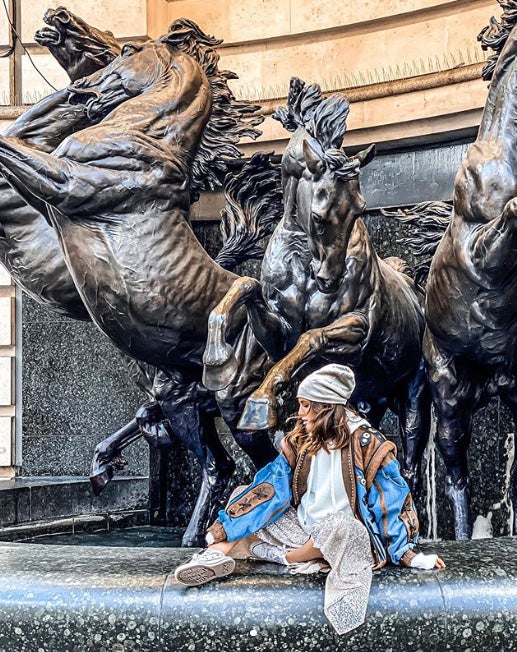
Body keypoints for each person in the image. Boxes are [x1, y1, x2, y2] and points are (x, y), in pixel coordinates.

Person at [174, 364, 445, 634]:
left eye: (306, 406)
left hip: (345, 537)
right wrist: (225, 529)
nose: (301, 414)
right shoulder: (301, 440)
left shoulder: (368, 444)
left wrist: (408, 554)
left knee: (341, 526)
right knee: (244, 495)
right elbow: (271, 486)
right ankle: (213, 556)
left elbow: (392, 501)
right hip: (303, 529)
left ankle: (281, 556)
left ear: (326, 406)